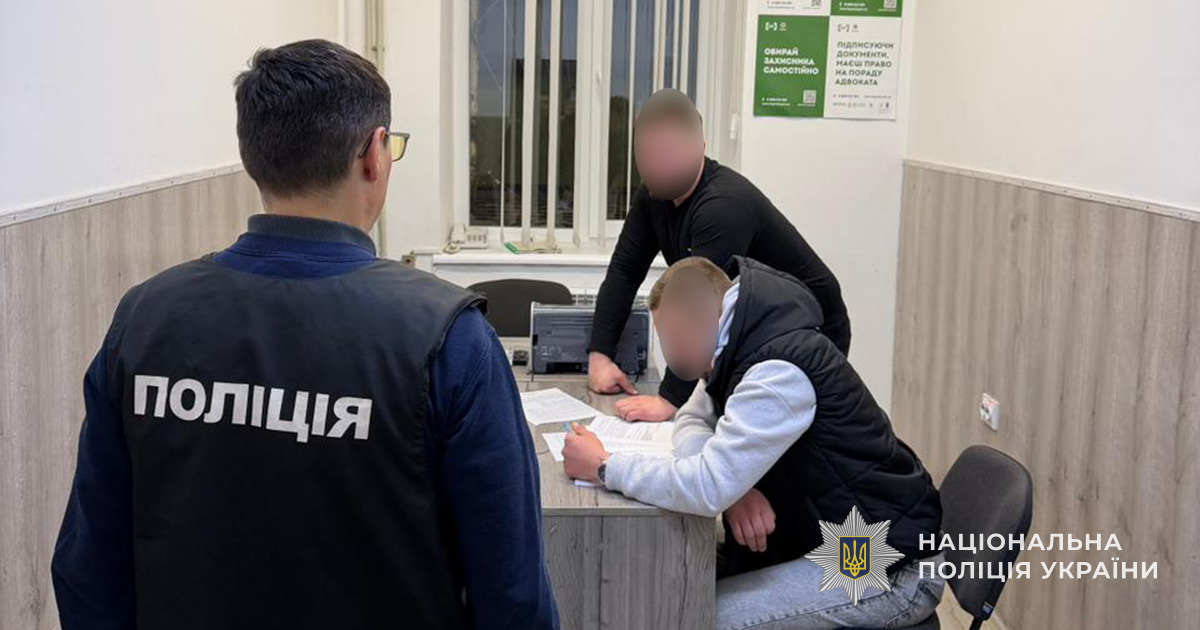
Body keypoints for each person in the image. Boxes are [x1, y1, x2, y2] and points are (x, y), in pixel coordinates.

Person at [50, 39, 559, 630]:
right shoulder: (450, 341)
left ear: (253, 156)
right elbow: (513, 597)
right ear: (374, 154)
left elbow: (89, 573)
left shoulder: (142, 320)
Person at [563, 256, 943, 629]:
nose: (671, 353)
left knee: (698, 614)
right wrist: (734, 489)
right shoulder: (734, 345)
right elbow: (692, 420)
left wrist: (605, 467)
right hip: (830, 536)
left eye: (673, 339)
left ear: (703, 322)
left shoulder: (776, 373)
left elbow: (706, 486)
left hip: (886, 561)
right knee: (673, 582)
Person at [587, 88, 851, 423]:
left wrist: (669, 400)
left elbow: (696, 305)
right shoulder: (653, 196)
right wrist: (600, 355)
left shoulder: (722, 205)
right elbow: (625, 272)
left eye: (667, 154)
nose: (657, 165)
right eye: (648, 155)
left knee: (771, 434)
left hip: (808, 329)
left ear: (700, 147)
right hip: (749, 327)